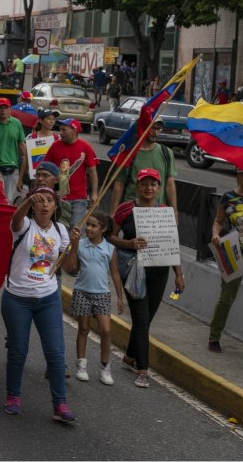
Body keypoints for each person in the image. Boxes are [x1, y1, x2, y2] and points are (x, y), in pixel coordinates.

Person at [3, 187, 76, 422]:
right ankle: (13, 396)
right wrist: (25, 201)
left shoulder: (60, 230)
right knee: (18, 351)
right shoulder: (24, 225)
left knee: (56, 353)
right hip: (17, 299)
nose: (44, 204)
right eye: (39, 201)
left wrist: (75, 244)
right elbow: (15, 221)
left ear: (55, 207)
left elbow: (69, 267)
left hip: (48, 299)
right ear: (33, 206)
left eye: (49, 201)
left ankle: (60, 404)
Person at [108, 168, 185, 388]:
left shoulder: (165, 212)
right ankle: (142, 370)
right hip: (134, 271)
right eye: (144, 184)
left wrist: (178, 273)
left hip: (159, 272)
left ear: (159, 188)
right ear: (137, 186)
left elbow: (172, 245)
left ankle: (130, 356)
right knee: (141, 320)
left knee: (146, 319)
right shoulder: (126, 209)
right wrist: (128, 244)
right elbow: (110, 236)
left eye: (153, 184)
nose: (148, 188)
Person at [64, 211, 124, 385]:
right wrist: (73, 245)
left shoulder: (109, 249)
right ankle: (81, 365)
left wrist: (119, 297)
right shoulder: (80, 244)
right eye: (87, 225)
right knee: (83, 329)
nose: (88, 228)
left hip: (103, 294)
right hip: (82, 291)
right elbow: (71, 266)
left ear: (103, 229)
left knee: (106, 331)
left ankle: (105, 367)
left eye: (93, 225)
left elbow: (115, 273)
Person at [208, 167, 243, 358]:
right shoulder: (228, 197)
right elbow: (218, 221)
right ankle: (214, 337)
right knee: (226, 298)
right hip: (232, 251)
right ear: (237, 175)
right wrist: (215, 234)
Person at [110, 119, 177, 217]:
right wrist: (113, 212)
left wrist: (174, 211)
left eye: (158, 129)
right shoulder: (129, 154)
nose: (156, 132)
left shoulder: (166, 153)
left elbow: (169, 183)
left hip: (158, 213)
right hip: (133, 211)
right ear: (141, 129)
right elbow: (119, 183)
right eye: (152, 128)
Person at [42, 118, 98, 227]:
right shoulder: (55, 146)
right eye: (60, 130)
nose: (60, 133)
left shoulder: (86, 147)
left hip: (78, 197)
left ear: (74, 130)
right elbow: (45, 169)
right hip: (58, 196)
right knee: (58, 226)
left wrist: (94, 194)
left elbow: (92, 172)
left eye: (64, 130)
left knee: (76, 228)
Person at [0, 97, 27, 202]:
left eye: (6, 107)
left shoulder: (17, 124)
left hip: (13, 169)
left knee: (8, 201)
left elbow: (22, 146)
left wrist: (25, 171)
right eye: (0, 107)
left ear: (10, 109)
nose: (3, 110)